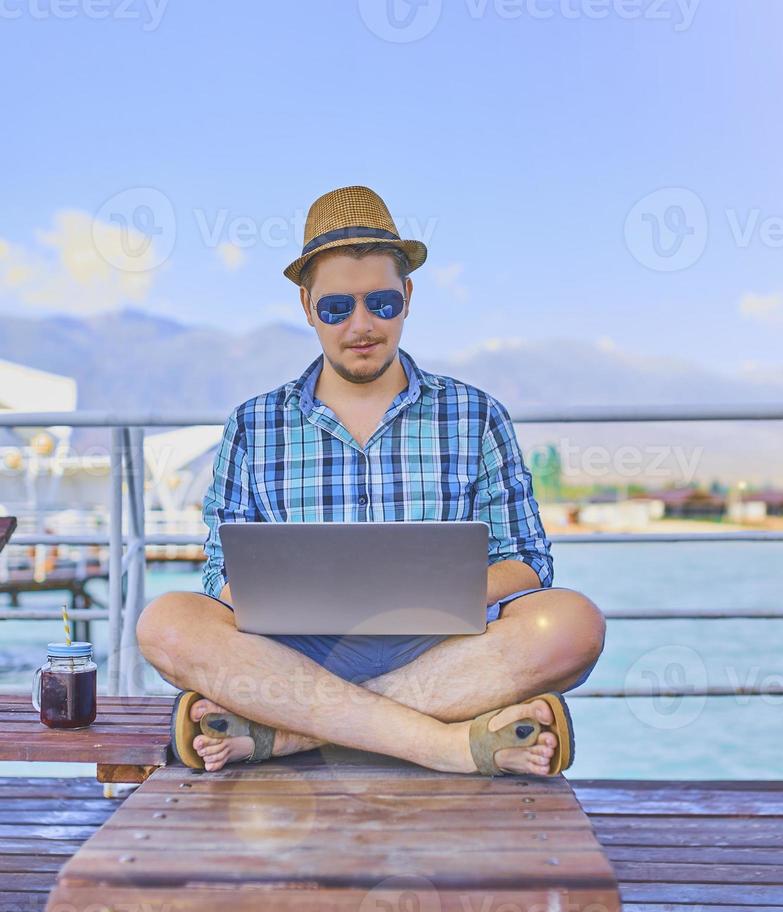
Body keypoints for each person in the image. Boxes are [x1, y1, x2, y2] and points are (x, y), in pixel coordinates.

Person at [137, 185, 604, 776]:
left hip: (440, 652)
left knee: (570, 623)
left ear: (407, 297)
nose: (361, 325)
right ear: (307, 308)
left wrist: (428, 593)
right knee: (169, 624)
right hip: (295, 654)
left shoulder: (476, 414)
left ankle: (286, 734)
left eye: (381, 302)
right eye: (337, 308)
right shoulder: (252, 425)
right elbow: (217, 579)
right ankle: (447, 742)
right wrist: (270, 592)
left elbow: (528, 561)